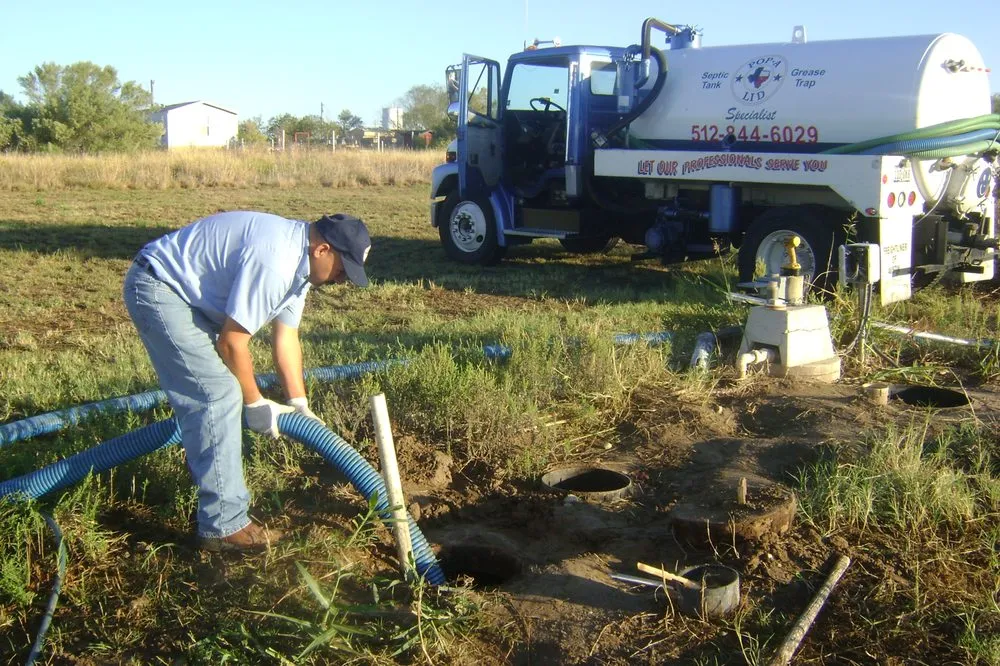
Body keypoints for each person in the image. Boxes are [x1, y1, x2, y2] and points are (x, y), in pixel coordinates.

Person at [123, 211, 371, 552]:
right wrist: (254, 404)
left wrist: (299, 403)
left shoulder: (299, 266)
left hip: (188, 296)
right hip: (160, 287)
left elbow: (286, 338)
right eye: (342, 270)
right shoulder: (276, 263)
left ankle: (210, 478)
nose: (341, 280)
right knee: (217, 395)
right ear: (323, 250)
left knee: (213, 395)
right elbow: (232, 343)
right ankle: (223, 526)